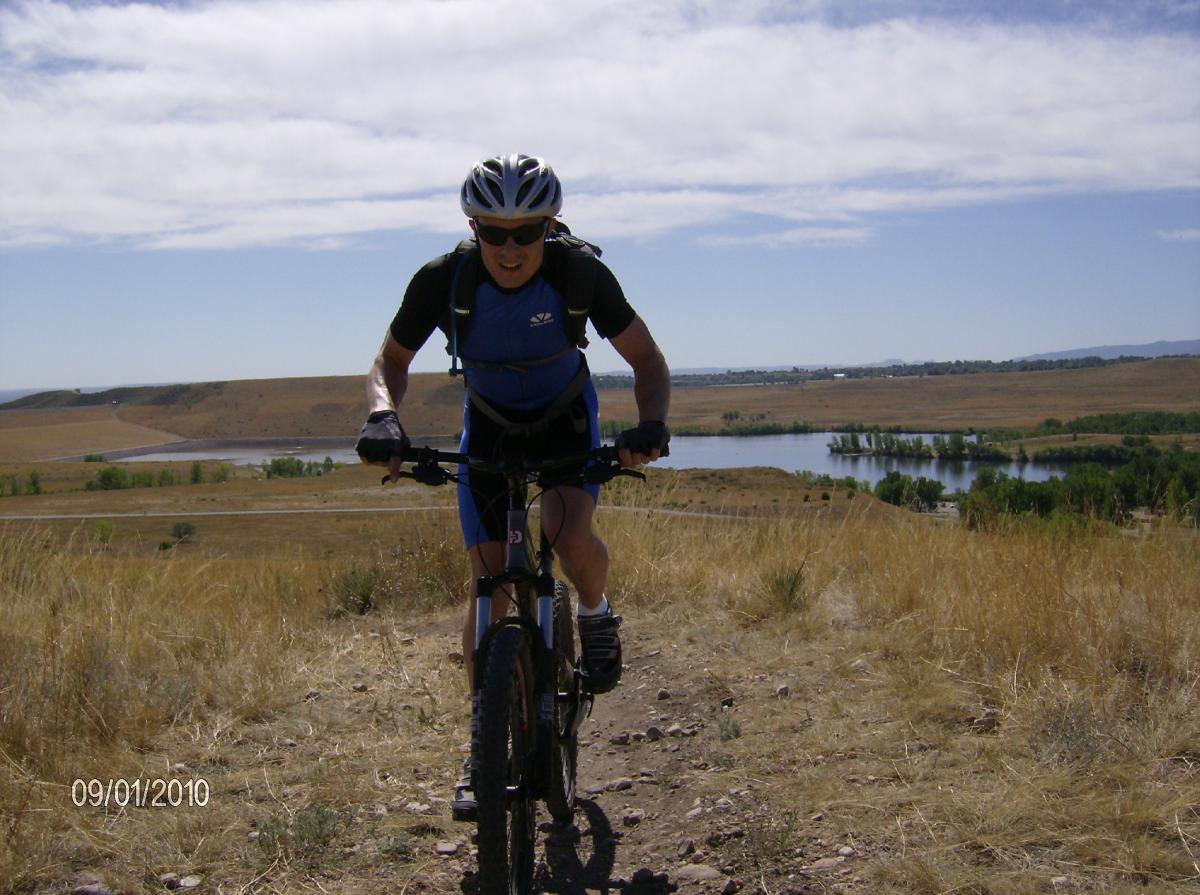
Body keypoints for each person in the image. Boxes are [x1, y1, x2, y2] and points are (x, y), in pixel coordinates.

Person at [355, 153, 671, 817]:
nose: (508, 247)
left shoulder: (578, 274)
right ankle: (482, 747)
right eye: (492, 232)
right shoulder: (445, 280)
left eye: (525, 232)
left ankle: (593, 611)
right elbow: (389, 361)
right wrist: (383, 414)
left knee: (566, 529)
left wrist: (650, 422)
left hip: (564, 421)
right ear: (472, 228)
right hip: (492, 429)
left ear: (549, 225)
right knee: (489, 583)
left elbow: (645, 358)